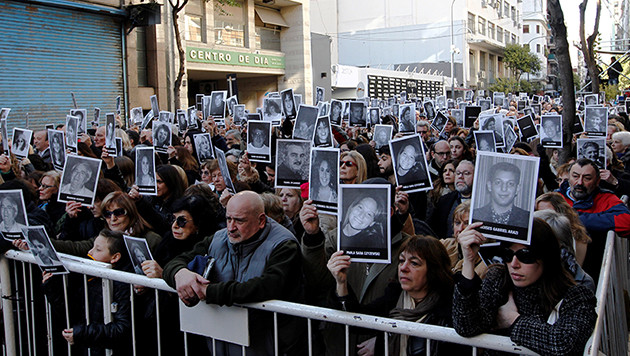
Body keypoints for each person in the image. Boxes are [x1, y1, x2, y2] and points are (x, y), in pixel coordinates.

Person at [162, 191, 305, 355]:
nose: (231, 227)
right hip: (222, 342)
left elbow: (267, 285)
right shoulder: (218, 238)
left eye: (239, 221)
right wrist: (179, 273)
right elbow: (175, 262)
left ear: (261, 221)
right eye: (228, 219)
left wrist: (209, 292)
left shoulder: (284, 245)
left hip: (268, 344)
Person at [453, 218, 597, 355]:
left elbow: (565, 345)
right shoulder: (498, 279)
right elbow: (466, 326)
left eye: (525, 255)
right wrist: (469, 262)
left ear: (546, 257)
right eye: (508, 254)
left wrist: (513, 320)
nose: (514, 264)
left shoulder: (576, 295)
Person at [327, 235, 465, 355]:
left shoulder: (451, 308)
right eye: (401, 260)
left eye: (414, 263)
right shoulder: (395, 295)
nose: (404, 268)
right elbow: (358, 321)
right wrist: (341, 283)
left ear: (434, 270)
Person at [557, 158, 630, 281]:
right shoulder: (555, 198)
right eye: (575, 176)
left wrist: (575, 218)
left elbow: (626, 222)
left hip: (591, 270)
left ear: (597, 181)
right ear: (568, 178)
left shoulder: (606, 198)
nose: (579, 182)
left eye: (587, 178)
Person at [429, 160, 475, 239]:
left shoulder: (484, 202)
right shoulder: (444, 201)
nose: (460, 176)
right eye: (458, 173)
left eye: (466, 173)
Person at [474, 162, 529, 227]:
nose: (504, 189)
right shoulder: (475, 215)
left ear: (517, 189)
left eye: (510, 184)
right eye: (498, 182)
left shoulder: (527, 218)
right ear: (489, 186)